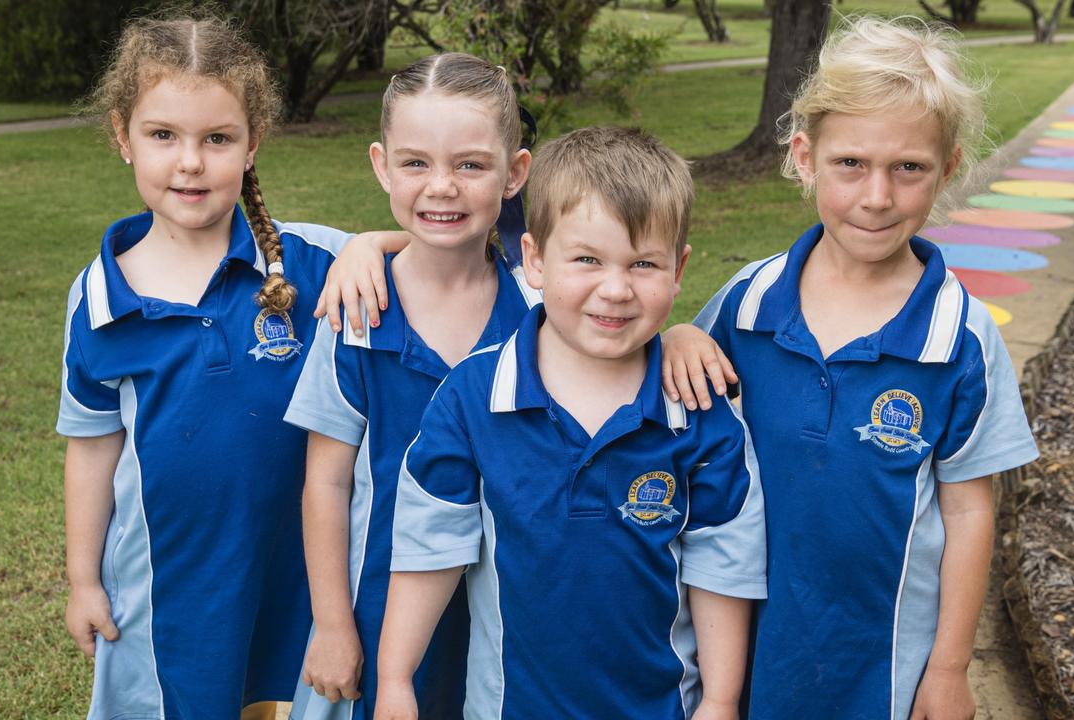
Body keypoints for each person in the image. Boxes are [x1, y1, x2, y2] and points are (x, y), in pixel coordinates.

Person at [662, 16, 1040, 720]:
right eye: (850, 164)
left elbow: (967, 508)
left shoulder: (959, 338)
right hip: (742, 646)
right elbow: (670, 400)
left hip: (882, 662)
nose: (877, 196)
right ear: (805, 157)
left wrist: (951, 668)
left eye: (909, 168)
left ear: (949, 168)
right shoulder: (746, 304)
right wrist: (679, 334)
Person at [372, 126, 767, 720]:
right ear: (533, 259)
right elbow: (430, 548)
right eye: (587, 259)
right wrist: (396, 680)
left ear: (679, 269)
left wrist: (720, 699)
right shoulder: (474, 399)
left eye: (643, 264)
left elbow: (722, 567)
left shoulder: (700, 412)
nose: (615, 290)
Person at [56, 15, 375, 719]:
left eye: (217, 139)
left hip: (302, 578)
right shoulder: (102, 298)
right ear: (122, 137)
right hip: (170, 586)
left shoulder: (314, 263)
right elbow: (91, 447)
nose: (190, 162)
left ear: (252, 142)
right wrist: (83, 578)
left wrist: (371, 246)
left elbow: (441, 254)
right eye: (163, 135)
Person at [283, 53, 537, 720]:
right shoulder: (356, 314)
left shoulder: (543, 316)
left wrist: (679, 337)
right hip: (376, 607)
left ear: (515, 173)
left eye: (471, 165)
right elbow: (326, 484)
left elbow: (626, 316)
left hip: (506, 612)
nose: (442, 186)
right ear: (382, 166)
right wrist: (333, 625)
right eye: (417, 163)